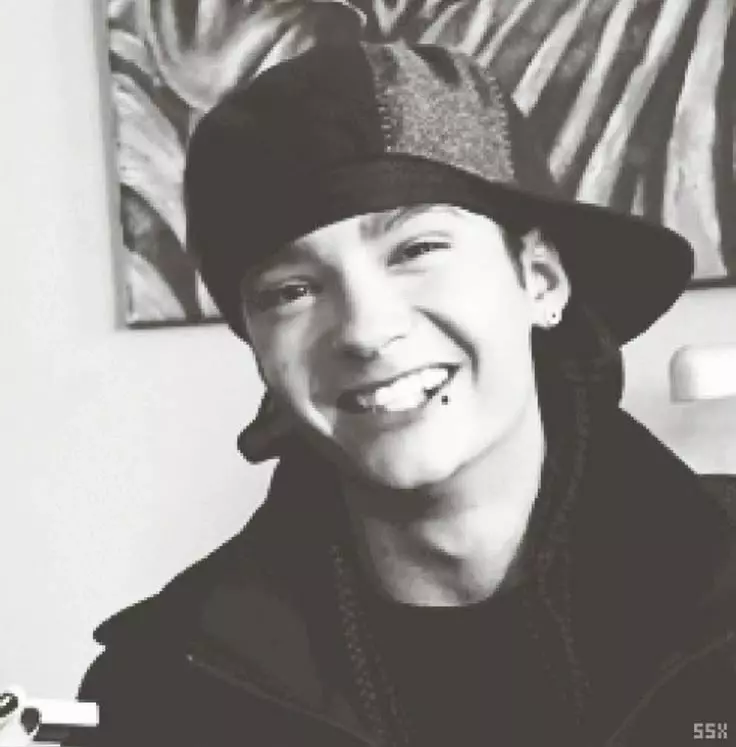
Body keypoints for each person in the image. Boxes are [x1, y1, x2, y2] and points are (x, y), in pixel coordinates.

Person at [4, 40, 736, 747]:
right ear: (259, 348)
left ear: (540, 280)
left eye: (416, 250)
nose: (364, 329)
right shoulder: (163, 692)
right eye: (292, 290)